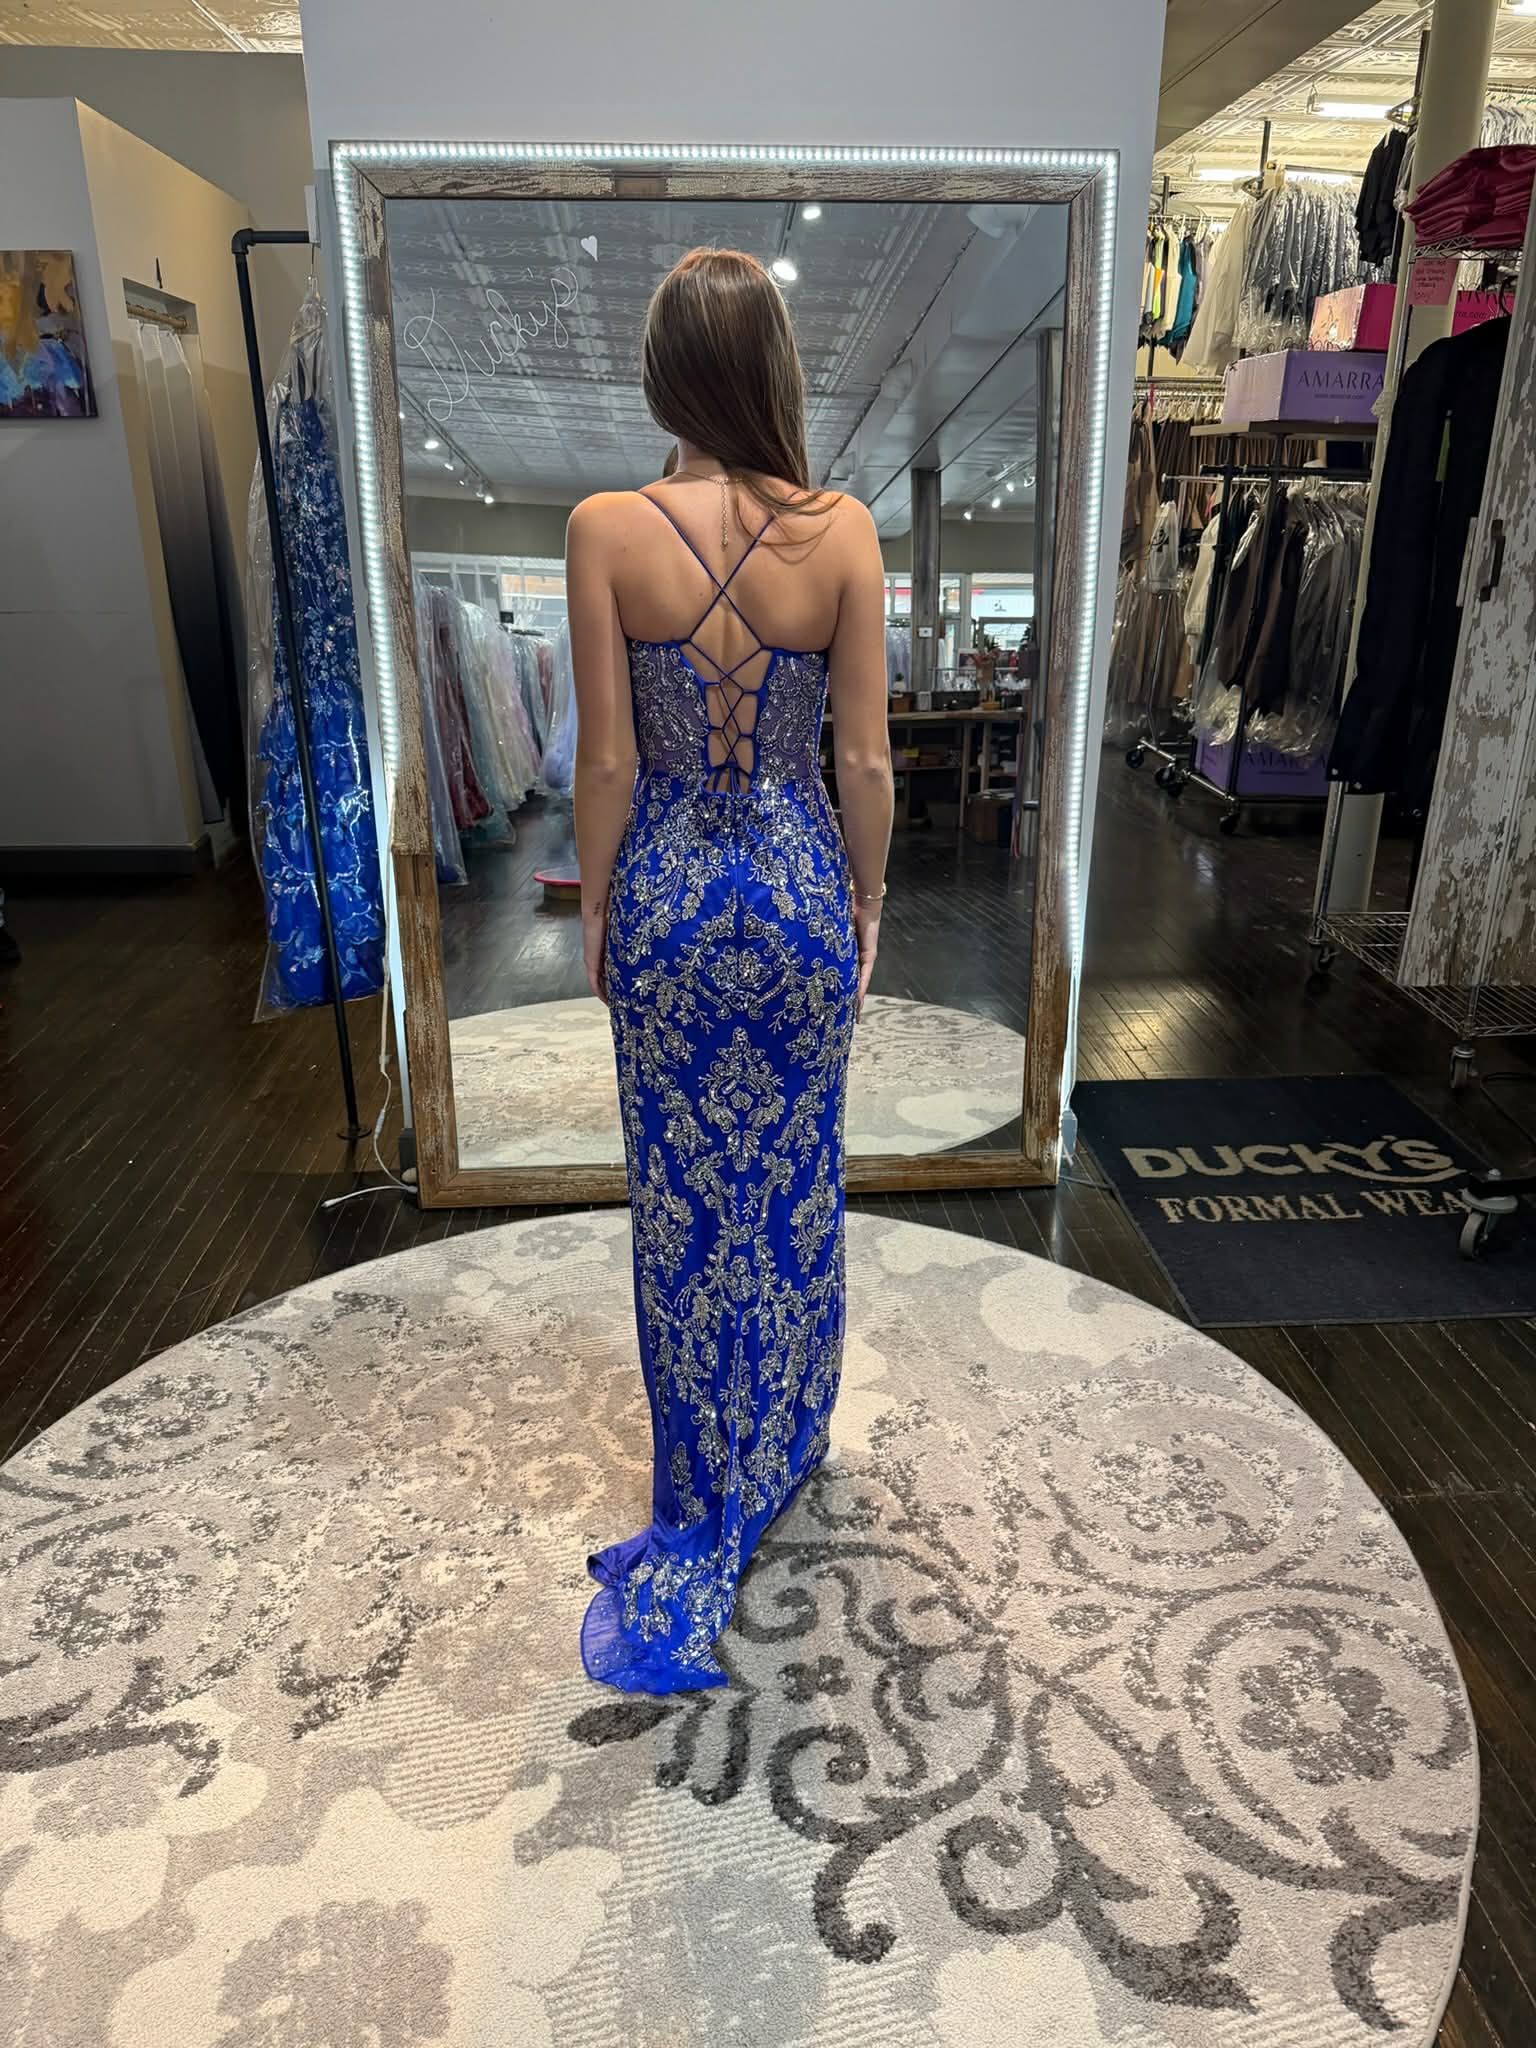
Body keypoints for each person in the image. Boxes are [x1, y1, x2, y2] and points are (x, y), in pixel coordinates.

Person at [567, 246, 893, 1694]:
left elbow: (605, 762)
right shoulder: (849, 534)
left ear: (662, 375)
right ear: (773, 368)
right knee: (794, 1182)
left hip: (675, 907)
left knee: (685, 1201)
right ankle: (781, 1448)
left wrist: (595, 913)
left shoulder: (603, 528)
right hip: (802, 891)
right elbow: (865, 758)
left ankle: (703, 1478)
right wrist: (869, 902)